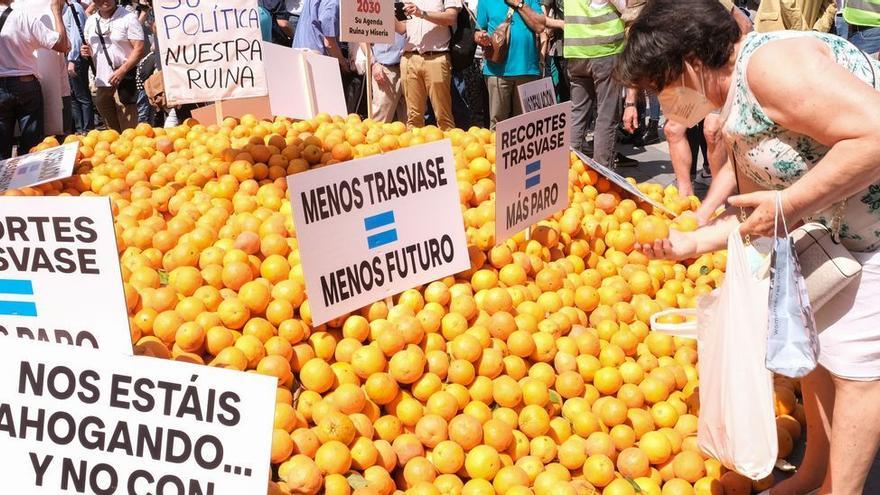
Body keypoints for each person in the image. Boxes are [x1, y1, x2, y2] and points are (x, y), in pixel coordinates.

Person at [617, 1, 880, 494]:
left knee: (857, 372)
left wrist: (791, 202)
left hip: (871, 234)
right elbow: (754, 209)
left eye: (661, 88)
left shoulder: (770, 69)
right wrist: (692, 242)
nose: (664, 106)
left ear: (691, 63)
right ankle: (813, 475)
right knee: (818, 356)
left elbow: (875, 133)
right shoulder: (734, 102)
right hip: (839, 237)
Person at [623, 0, 752, 211]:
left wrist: (730, 73)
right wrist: (630, 101)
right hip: (686, 79)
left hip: (716, 72)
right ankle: (686, 195)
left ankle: (724, 201)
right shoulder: (655, 10)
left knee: (712, 130)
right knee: (673, 129)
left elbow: (744, 25)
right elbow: (640, 58)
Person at [563, 0, 631, 167]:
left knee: (577, 113)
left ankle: (570, 170)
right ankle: (602, 173)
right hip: (605, 50)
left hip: (577, 51)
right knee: (606, 114)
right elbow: (626, 9)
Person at [0, 0, 70, 158]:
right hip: (25, 85)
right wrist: (56, 12)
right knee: (31, 150)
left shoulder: (22, 16)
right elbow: (62, 45)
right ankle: (28, 182)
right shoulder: (22, 17)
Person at [475, 0, 545, 128]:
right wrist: (481, 37)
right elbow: (479, 31)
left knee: (527, 125)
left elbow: (540, 26)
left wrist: (519, 4)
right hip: (496, 72)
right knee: (498, 126)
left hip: (527, 70)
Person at [395, 0, 463, 130]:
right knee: (413, 118)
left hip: (436, 59)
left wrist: (422, 13)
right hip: (410, 58)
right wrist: (385, 15)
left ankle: (450, 148)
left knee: (443, 116)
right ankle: (415, 148)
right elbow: (402, 28)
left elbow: (451, 18)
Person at [82, 0, 145, 132]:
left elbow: (139, 49)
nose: (105, 1)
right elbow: (91, 49)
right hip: (102, 80)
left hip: (125, 78)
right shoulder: (91, 21)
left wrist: (122, 70)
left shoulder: (129, 17)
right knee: (112, 131)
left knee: (128, 128)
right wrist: (86, 52)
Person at [292, 0, 349, 74]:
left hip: (298, 54)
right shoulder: (333, 3)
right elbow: (329, 43)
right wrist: (343, 63)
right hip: (316, 62)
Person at [63, 0, 93, 134]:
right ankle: (80, 130)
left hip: (75, 58)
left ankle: (87, 130)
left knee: (81, 96)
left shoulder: (73, 8)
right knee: (74, 96)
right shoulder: (65, 9)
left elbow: (76, 37)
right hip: (69, 57)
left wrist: (72, 59)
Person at [369, 35, 408, 123]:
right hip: (386, 69)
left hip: (410, 66)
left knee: (411, 121)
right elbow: (361, 36)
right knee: (380, 120)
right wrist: (373, 63)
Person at [755, 0, 836, 32]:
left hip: (805, 34)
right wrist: (803, 32)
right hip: (777, 29)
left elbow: (830, 5)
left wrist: (818, 30)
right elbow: (787, 2)